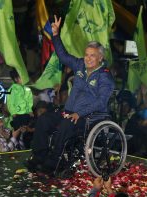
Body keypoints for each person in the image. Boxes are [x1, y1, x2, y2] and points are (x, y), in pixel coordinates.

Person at [27, 15, 115, 173]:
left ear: (100, 57)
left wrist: (79, 113)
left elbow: (101, 103)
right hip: (68, 112)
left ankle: (53, 162)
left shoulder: (105, 77)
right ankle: (39, 157)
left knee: (66, 126)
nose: (87, 58)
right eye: (86, 54)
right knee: (44, 120)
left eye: (92, 55)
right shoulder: (79, 65)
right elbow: (63, 55)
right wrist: (55, 35)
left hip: (89, 118)